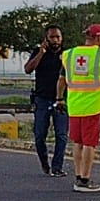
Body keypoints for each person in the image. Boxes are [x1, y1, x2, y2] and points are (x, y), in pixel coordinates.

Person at [57, 24, 100, 192]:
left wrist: (59, 99)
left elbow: (61, 79)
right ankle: (85, 180)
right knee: (89, 144)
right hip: (93, 107)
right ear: (98, 38)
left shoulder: (70, 54)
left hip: (74, 106)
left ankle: (78, 176)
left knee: (77, 142)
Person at [23, 25, 67, 176]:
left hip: (61, 100)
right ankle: (44, 163)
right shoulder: (38, 52)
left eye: (58, 37)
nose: (55, 40)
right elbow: (28, 69)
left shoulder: (67, 54)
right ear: (46, 39)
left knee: (61, 135)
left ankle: (57, 167)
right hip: (42, 99)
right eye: (52, 37)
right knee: (40, 134)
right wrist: (41, 53)